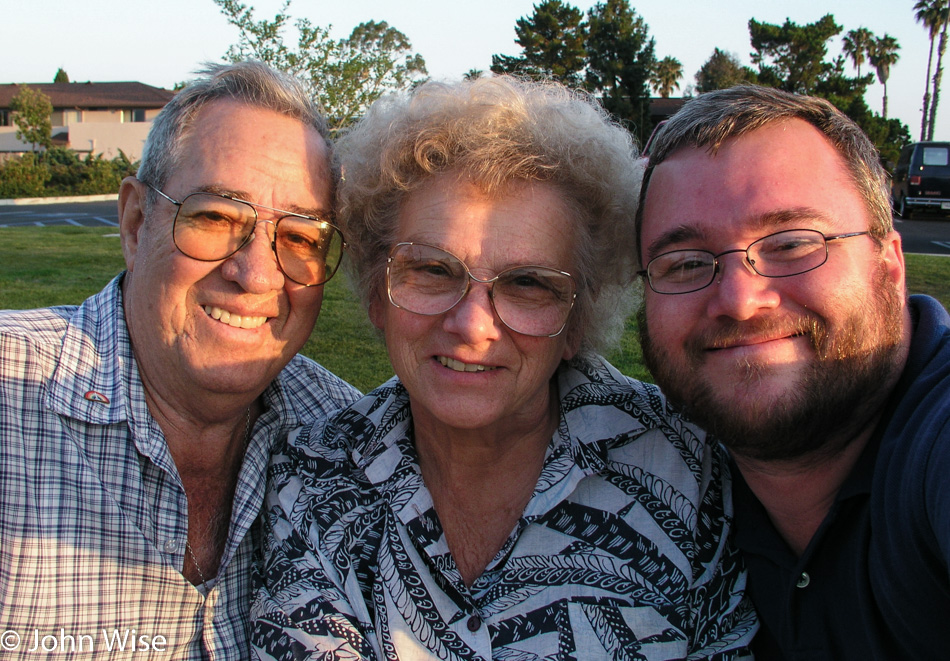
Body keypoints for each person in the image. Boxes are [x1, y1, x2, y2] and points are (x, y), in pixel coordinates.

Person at [251, 76, 757, 660]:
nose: (472, 325)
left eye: (526, 284)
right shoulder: (315, 480)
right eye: (433, 271)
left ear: (577, 321)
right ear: (375, 294)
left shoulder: (686, 471)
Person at [0, 61, 359, 659]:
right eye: (216, 217)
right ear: (137, 223)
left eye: (300, 237)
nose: (256, 275)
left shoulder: (351, 444)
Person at [636, 84, 950, 659]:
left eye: (792, 244)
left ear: (890, 264)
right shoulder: (664, 481)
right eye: (684, 263)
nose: (738, 299)